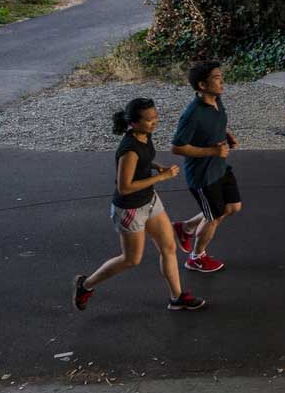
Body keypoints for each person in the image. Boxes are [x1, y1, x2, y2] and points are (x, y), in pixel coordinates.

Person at [72, 98, 206, 311]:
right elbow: (124, 187)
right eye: (149, 119)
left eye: (155, 117)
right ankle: (86, 285)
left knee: (169, 246)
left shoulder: (144, 135)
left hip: (150, 201)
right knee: (131, 259)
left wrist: (156, 166)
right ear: (133, 123)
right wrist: (161, 178)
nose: (155, 122)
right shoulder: (129, 150)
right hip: (130, 209)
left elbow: (143, 161)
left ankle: (177, 297)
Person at [170, 60, 241, 273]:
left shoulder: (217, 100)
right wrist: (213, 151)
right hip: (202, 176)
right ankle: (196, 257)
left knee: (232, 207)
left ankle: (186, 227)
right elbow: (177, 147)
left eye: (221, 76)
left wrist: (227, 135)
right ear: (202, 85)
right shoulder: (192, 114)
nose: (222, 81)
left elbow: (218, 121)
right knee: (214, 216)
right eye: (217, 78)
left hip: (219, 167)